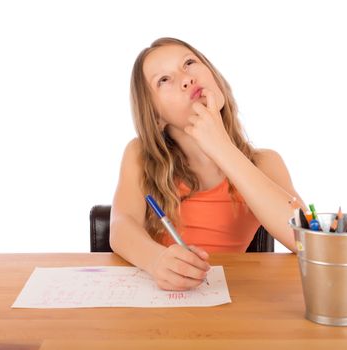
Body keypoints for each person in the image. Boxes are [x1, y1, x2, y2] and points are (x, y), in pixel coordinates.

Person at [110, 37, 306, 291]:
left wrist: (222, 148)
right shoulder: (140, 155)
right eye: (164, 80)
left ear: (215, 78)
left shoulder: (265, 163)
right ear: (155, 116)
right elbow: (121, 226)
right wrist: (156, 260)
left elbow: (305, 241)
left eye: (189, 63)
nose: (186, 78)